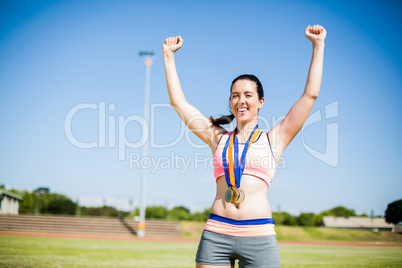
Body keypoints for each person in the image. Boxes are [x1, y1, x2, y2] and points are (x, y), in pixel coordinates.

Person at [163, 24, 327, 268]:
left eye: (248, 95)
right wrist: (168, 55)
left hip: (259, 237)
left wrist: (318, 45)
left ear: (261, 101)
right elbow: (179, 103)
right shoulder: (217, 137)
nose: (241, 100)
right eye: (235, 95)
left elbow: (309, 96)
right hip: (216, 234)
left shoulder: (275, 139)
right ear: (230, 101)